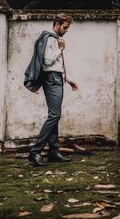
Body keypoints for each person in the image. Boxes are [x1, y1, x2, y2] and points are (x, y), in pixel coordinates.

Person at [24, 13, 78, 166]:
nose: (66, 30)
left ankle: (53, 151)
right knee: (55, 115)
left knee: (54, 116)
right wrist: (60, 49)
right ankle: (35, 152)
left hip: (56, 78)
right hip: (52, 79)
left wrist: (68, 80)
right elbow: (47, 62)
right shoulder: (49, 38)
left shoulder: (54, 39)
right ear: (57, 24)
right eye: (65, 27)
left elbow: (57, 65)